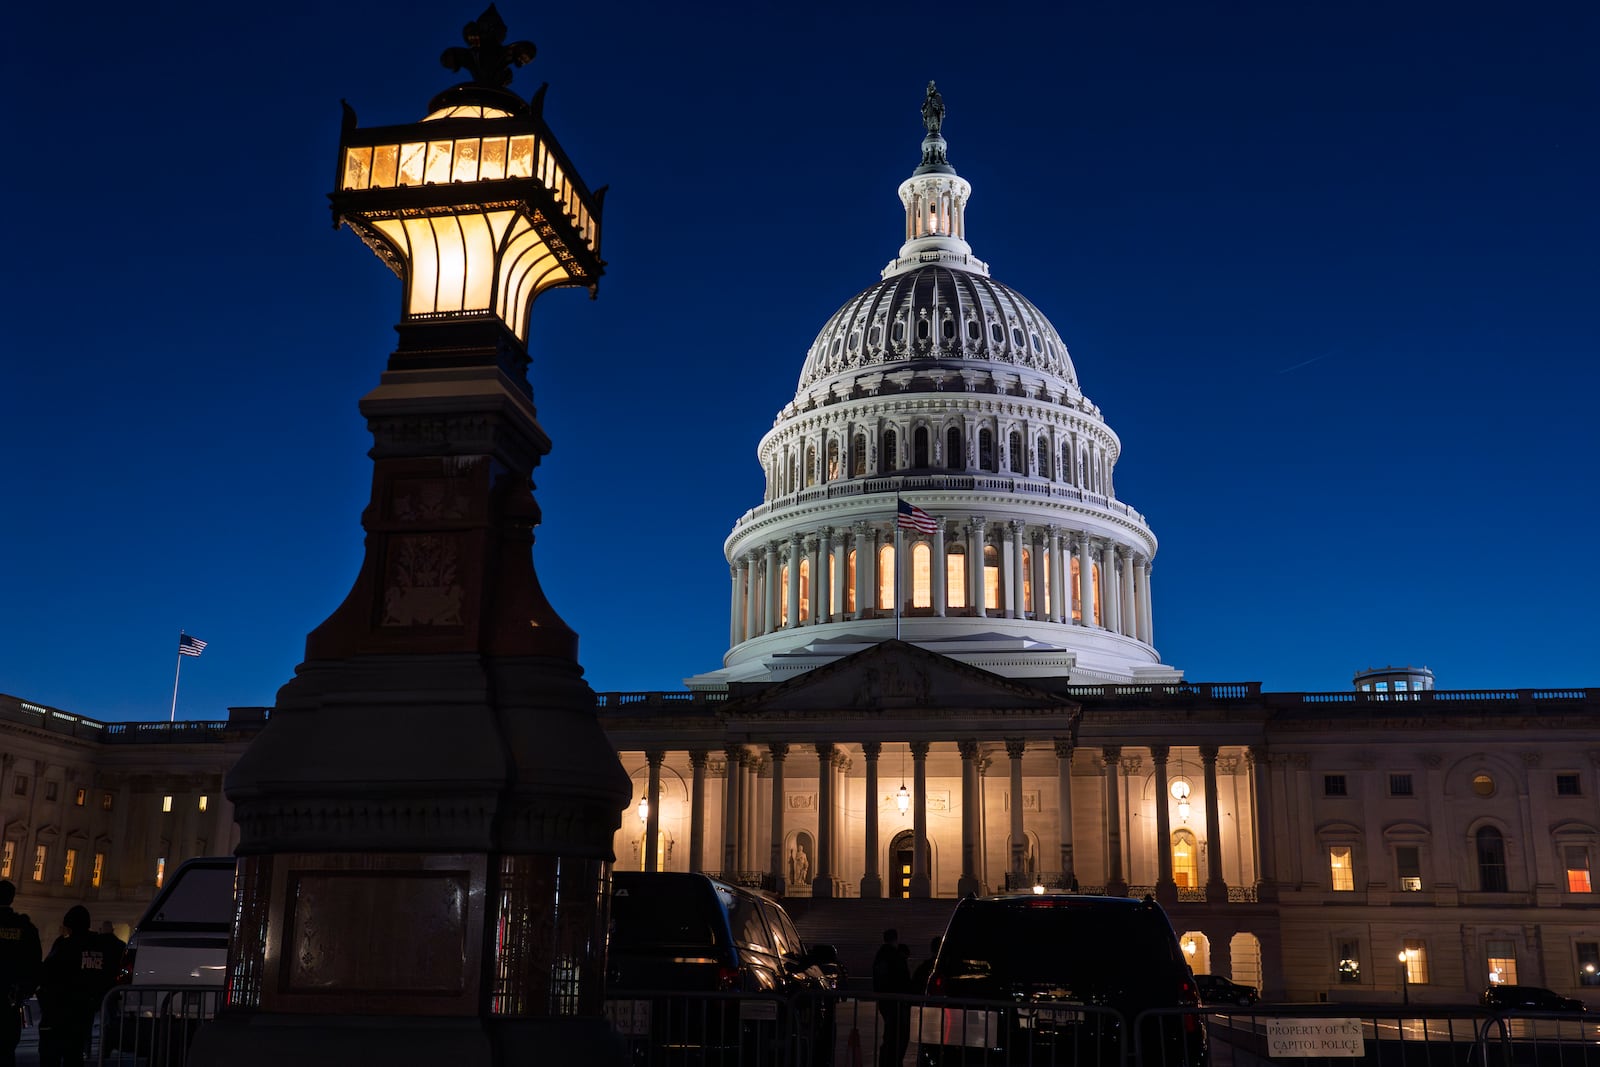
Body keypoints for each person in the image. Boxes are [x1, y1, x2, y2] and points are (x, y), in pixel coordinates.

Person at [37, 905, 120, 1067]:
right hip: (86, 1007)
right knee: (74, 1054)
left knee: (51, 1053)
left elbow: (47, 972)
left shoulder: (66, 945)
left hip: (62, 1008)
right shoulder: (100, 946)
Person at [0, 882, 41, 1067]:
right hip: (11, 998)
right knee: (7, 1050)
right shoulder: (24, 927)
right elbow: (35, 963)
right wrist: (24, 991)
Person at [871, 927, 911, 1067]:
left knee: (890, 1033)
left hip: (885, 1000)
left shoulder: (880, 955)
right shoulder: (895, 956)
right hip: (896, 1001)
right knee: (898, 1034)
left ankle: (887, 1061)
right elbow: (903, 979)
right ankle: (893, 1061)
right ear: (896, 938)